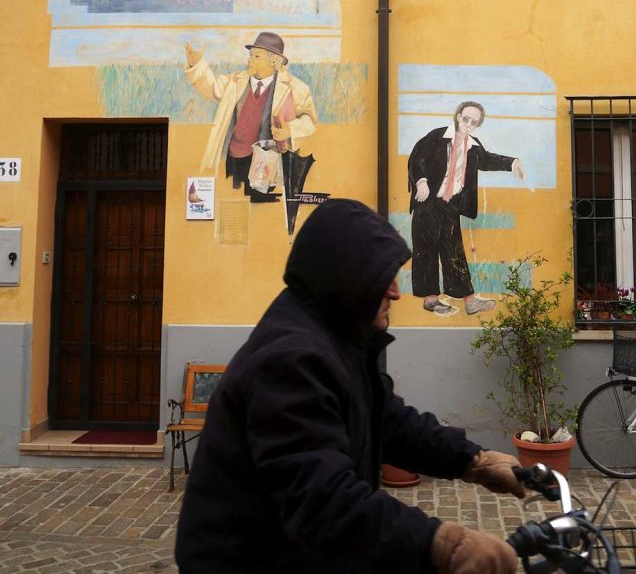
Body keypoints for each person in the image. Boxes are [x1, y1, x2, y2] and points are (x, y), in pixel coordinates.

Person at [175, 199, 523, 573]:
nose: (396, 293)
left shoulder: (335, 337)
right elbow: (323, 499)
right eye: (383, 277)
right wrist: (444, 545)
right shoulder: (292, 360)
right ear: (346, 276)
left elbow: (389, 421)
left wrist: (474, 460)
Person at [407, 101, 525, 316]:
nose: (469, 124)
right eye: (466, 118)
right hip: (428, 202)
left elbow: (487, 160)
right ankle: (431, 299)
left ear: (478, 124)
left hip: (450, 205)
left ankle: (469, 301)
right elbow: (417, 157)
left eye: (474, 121)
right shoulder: (438, 136)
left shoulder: (473, 145)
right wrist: (421, 180)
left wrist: (512, 162)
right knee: (426, 249)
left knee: (454, 252)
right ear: (458, 115)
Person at [183, 31, 317, 203]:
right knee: (236, 195)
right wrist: (196, 63)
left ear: (274, 60)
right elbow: (211, 87)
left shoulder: (295, 88)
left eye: (256, 56)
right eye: (250, 55)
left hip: (266, 161)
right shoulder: (235, 81)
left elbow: (310, 120)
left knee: (260, 200)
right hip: (234, 158)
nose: (249, 59)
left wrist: (289, 131)